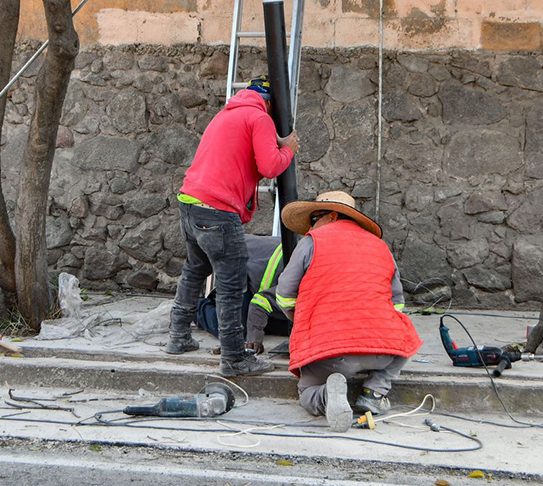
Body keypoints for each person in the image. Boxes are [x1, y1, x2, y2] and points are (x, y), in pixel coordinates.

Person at [166, 77, 298, 377]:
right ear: (270, 102)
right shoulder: (260, 117)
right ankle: (234, 359)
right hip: (218, 211)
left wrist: (275, 143)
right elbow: (269, 166)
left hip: (190, 202)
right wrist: (287, 148)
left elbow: (245, 150)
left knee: (195, 270)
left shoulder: (229, 113)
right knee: (231, 285)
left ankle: (178, 338)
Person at [274, 190, 422, 431]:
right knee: (406, 336)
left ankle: (325, 396)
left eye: (314, 219)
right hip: (382, 354)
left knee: (306, 391)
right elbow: (397, 305)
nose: (311, 226)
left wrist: (304, 321)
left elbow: (284, 295)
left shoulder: (311, 242)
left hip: (330, 355)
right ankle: (375, 392)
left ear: (331, 216)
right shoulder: (380, 246)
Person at [195, 234, 293, 352]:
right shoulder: (297, 286)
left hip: (261, 268)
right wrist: (254, 340)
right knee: (233, 330)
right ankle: (196, 308)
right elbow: (261, 302)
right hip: (242, 266)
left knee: (283, 326)